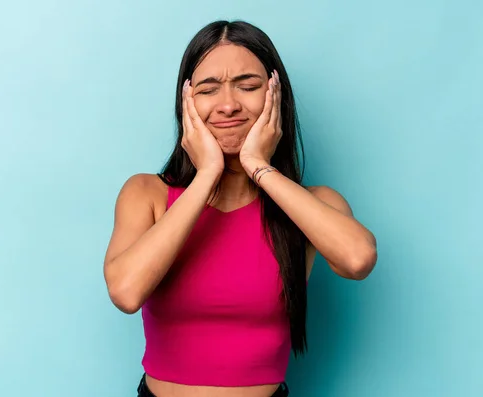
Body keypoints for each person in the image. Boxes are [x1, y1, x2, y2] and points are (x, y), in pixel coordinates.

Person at [103, 20, 377, 397]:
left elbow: (358, 259)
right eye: (208, 89)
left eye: (248, 87)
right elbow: (126, 292)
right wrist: (207, 175)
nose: (228, 105)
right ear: (186, 104)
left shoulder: (312, 204)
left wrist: (260, 168)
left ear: (275, 96)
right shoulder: (146, 194)